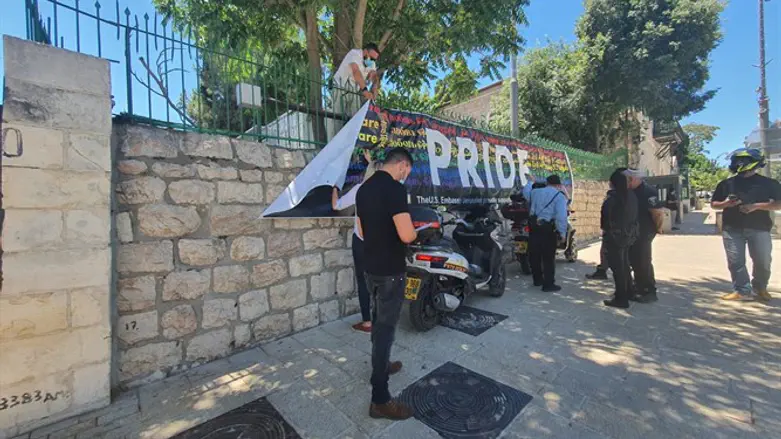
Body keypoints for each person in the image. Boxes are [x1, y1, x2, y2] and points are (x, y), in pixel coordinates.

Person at [356, 147, 416, 420]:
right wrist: (415, 230)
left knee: (378, 322)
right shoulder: (394, 190)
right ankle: (380, 399)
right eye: (407, 171)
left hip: (371, 268)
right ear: (402, 165)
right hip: (391, 270)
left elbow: (361, 230)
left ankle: (381, 364)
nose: (405, 175)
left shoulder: (363, 189)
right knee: (386, 329)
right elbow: (406, 235)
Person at [711, 148, 781, 302]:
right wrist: (727, 204)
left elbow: (778, 204)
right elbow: (714, 204)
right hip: (732, 229)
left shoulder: (769, 184)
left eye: (743, 161)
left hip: (760, 228)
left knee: (763, 261)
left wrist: (756, 206)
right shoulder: (727, 184)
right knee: (735, 261)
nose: (739, 164)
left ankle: (760, 287)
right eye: (737, 161)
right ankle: (741, 289)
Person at [332, 150, 379, 332]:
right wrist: (371, 161)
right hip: (381, 243)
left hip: (362, 242)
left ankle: (368, 322)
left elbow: (336, 206)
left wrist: (335, 188)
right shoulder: (391, 189)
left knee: (362, 280)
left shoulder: (360, 190)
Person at [622, 168, 665, 303]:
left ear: (633, 179)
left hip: (644, 231)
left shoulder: (648, 191)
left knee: (643, 261)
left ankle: (649, 291)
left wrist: (657, 228)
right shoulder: (630, 191)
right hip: (632, 232)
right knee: (634, 260)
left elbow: (657, 213)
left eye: (626, 180)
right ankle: (638, 286)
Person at [602, 170, 639, 309]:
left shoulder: (613, 198)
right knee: (625, 265)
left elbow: (605, 218)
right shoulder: (632, 196)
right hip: (629, 235)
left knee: (617, 267)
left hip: (614, 237)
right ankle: (629, 291)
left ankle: (621, 298)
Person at [528, 175, 569, 292]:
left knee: (534, 255)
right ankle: (548, 284)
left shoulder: (534, 192)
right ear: (558, 185)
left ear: (547, 182)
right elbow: (561, 217)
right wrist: (562, 233)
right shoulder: (559, 196)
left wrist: (530, 182)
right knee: (548, 257)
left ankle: (537, 280)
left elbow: (526, 192)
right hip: (548, 229)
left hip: (534, 226)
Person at [331, 43, 381, 129]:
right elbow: (356, 71)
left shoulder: (371, 63)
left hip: (355, 91)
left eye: (374, 60)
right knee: (337, 118)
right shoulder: (354, 54)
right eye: (371, 58)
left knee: (355, 118)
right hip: (340, 87)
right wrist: (365, 90)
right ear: (365, 51)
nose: (372, 61)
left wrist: (375, 87)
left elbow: (374, 76)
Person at [586, 182, 617, 280]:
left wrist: (605, 227)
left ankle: (604, 271)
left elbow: (606, 213)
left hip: (612, 229)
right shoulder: (629, 195)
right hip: (623, 230)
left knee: (606, 250)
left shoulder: (612, 197)